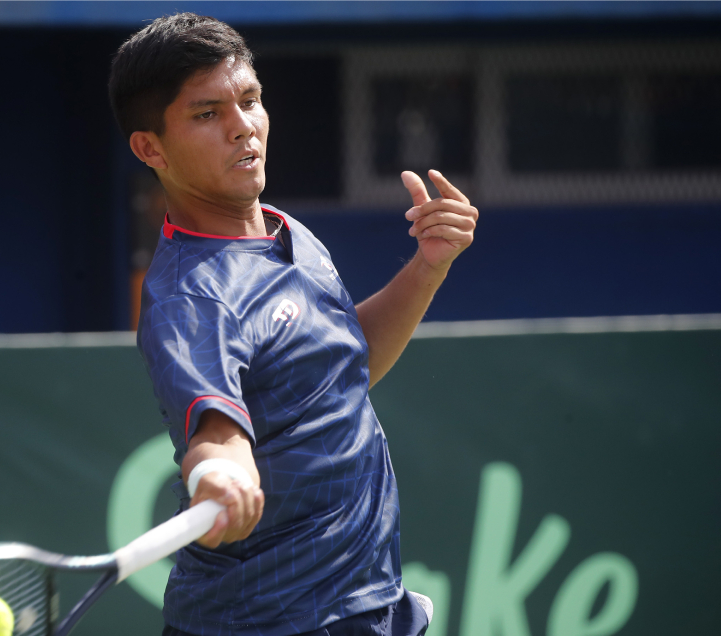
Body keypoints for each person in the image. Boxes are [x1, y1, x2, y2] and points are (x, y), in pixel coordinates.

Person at [109, 13, 477, 636]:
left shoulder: (285, 232)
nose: (242, 128)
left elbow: (344, 365)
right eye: (206, 114)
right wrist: (220, 472)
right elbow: (215, 433)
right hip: (269, 622)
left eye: (249, 101)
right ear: (150, 148)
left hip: (360, 598)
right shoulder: (192, 298)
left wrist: (427, 268)